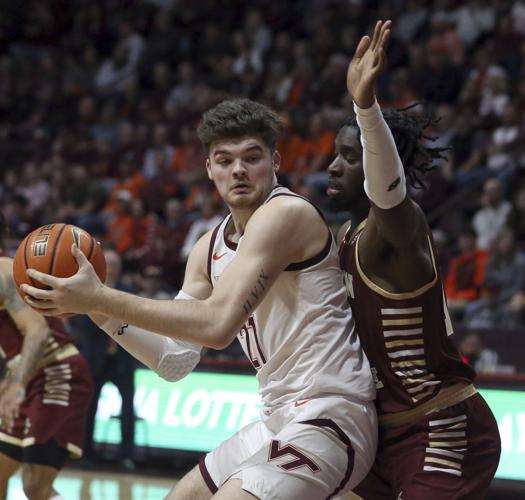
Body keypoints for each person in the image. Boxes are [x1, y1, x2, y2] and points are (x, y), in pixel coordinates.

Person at [21, 98, 377, 499]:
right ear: (209, 168)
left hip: (331, 414)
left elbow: (216, 325)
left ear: (275, 161)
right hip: (279, 418)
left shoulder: (286, 214)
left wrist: (102, 297)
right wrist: (96, 309)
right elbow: (174, 360)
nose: (238, 170)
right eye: (224, 160)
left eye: (251, 157)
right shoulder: (208, 248)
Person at [327, 20, 501, 499]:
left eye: (350, 155)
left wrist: (366, 110)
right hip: (380, 434)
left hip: (440, 426)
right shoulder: (345, 237)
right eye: (336, 155)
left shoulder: (399, 232)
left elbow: (389, 196)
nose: (333, 165)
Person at [0, 214, 92, 500]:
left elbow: (37, 332)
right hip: (29, 375)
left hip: (57, 371)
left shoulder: (2, 268)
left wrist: (16, 386)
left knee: (35, 485)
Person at [68, 249, 136, 471]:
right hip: (96, 357)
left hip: (122, 359)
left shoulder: (129, 291)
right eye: (110, 263)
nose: (114, 267)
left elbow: (138, 322)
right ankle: (85, 454)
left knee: (127, 410)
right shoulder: (90, 290)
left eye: (116, 263)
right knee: (90, 408)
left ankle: (126, 456)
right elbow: (85, 325)